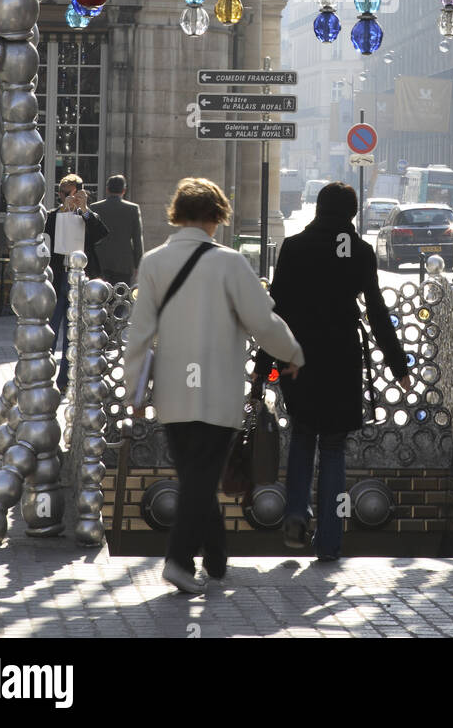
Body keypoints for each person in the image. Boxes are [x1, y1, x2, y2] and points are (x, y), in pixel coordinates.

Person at [123, 177, 304, 596]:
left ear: (177, 214)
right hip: (218, 390)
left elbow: (139, 333)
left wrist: (135, 390)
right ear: (217, 216)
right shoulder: (231, 263)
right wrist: (292, 353)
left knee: (195, 476)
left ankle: (217, 555)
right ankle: (180, 560)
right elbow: (263, 322)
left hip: (173, 391)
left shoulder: (153, 262)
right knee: (201, 476)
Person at [252, 181, 410, 564]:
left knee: (304, 435)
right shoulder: (360, 251)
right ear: (352, 214)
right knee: (335, 447)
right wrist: (398, 365)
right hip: (342, 360)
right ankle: (329, 542)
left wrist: (262, 369)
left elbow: (279, 309)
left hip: (298, 358)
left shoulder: (293, 247)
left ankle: (294, 516)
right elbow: (375, 312)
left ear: (319, 210)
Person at [46, 174, 108, 393]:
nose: (68, 198)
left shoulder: (87, 216)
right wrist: (64, 210)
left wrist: (84, 210)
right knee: (50, 330)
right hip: (58, 277)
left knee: (72, 335)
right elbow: (44, 233)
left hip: (78, 278)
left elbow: (102, 234)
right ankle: (43, 377)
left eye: (72, 193)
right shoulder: (53, 216)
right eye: (64, 194)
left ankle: (64, 381)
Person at [92, 175, 144, 286]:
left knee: (100, 298)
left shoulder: (95, 208)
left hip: (100, 261)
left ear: (107, 189)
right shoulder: (133, 209)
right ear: (124, 190)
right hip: (123, 263)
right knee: (121, 298)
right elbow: (137, 239)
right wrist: (138, 264)